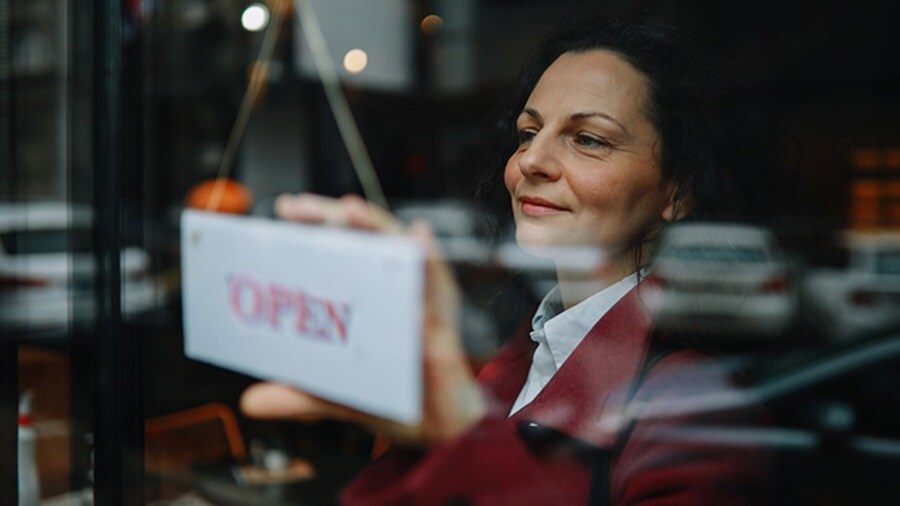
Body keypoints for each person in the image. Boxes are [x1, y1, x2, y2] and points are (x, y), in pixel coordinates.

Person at [240, 17, 780, 505]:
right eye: (528, 132)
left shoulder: (695, 410)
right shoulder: (526, 349)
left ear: (678, 192)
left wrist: (458, 435)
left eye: (588, 139)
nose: (532, 161)